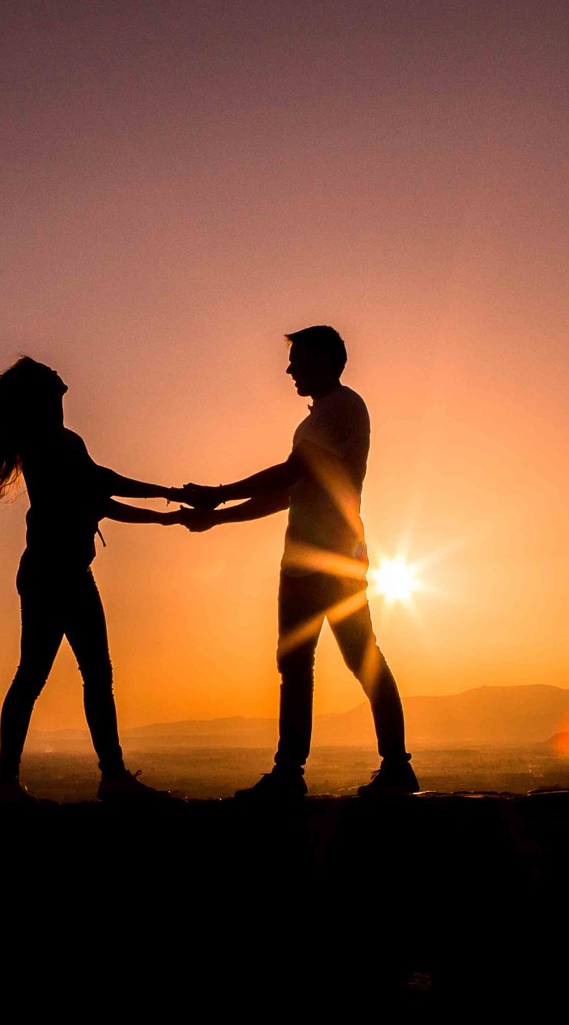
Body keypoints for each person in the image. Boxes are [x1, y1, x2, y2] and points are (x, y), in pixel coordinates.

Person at [0, 356, 194, 805]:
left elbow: (97, 499)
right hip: (52, 574)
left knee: (85, 675)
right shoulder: (45, 444)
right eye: (49, 375)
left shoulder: (63, 441)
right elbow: (101, 486)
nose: (61, 375)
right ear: (43, 393)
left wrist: (164, 515)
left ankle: (103, 776)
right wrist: (168, 499)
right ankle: (24, 783)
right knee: (43, 676)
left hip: (70, 573)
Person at [182, 326, 417, 798]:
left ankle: (392, 765)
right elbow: (289, 494)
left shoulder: (344, 408)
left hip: (334, 561)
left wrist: (218, 494)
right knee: (298, 666)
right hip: (300, 563)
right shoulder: (313, 422)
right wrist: (219, 516)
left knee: (359, 657)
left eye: (299, 359)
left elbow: (295, 473)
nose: (290, 369)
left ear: (327, 360)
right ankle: (291, 772)